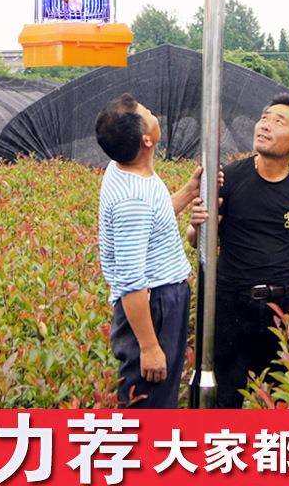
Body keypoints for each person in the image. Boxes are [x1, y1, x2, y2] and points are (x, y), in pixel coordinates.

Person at [188, 93, 289, 408]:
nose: (265, 125)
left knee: (280, 396)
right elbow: (196, 240)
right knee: (226, 397)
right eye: (264, 118)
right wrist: (198, 226)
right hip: (230, 304)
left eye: (278, 122)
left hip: (283, 308)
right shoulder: (230, 177)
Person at [96, 92, 205, 408]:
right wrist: (149, 347)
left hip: (159, 299)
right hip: (152, 305)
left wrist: (189, 192)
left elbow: (153, 218)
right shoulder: (132, 200)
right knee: (150, 402)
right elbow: (131, 283)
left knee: (160, 396)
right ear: (146, 140)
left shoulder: (124, 169)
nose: (152, 111)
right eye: (147, 113)